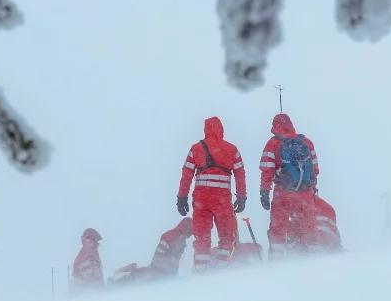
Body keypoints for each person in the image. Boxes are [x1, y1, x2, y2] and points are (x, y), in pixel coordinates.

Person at [176, 117, 247, 271]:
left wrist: (181, 197)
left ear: (205, 129)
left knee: (202, 236)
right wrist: (241, 196)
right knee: (227, 234)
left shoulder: (196, 148)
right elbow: (240, 174)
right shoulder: (231, 149)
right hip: (222, 199)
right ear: (221, 129)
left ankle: (201, 270)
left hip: (202, 199)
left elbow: (186, 174)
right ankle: (221, 267)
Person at [258, 113, 319, 257]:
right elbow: (315, 169)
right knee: (308, 225)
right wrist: (312, 187)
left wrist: (264, 191)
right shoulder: (306, 142)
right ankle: (314, 257)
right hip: (305, 192)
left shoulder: (273, 143)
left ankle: (277, 258)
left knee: (278, 226)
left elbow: (267, 170)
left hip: (283, 192)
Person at [109, 217, 193, 285]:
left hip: (162, 270)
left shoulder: (180, 238)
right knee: (139, 278)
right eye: (191, 231)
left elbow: (174, 257)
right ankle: (115, 283)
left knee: (139, 277)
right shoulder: (172, 236)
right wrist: (164, 269)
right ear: (187, 228)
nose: (191, 234)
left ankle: (117, 281)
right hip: (159, 270)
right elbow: (161, 253)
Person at [70, 228, 105, 293]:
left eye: (96, 242)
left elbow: (99, 274)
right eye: (94, 241)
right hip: (82, 294)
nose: (96, 244)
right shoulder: (83, 257)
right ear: (88, 241)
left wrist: (102, 288)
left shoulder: (95, 254)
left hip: (95, 292)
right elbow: (80, 277)